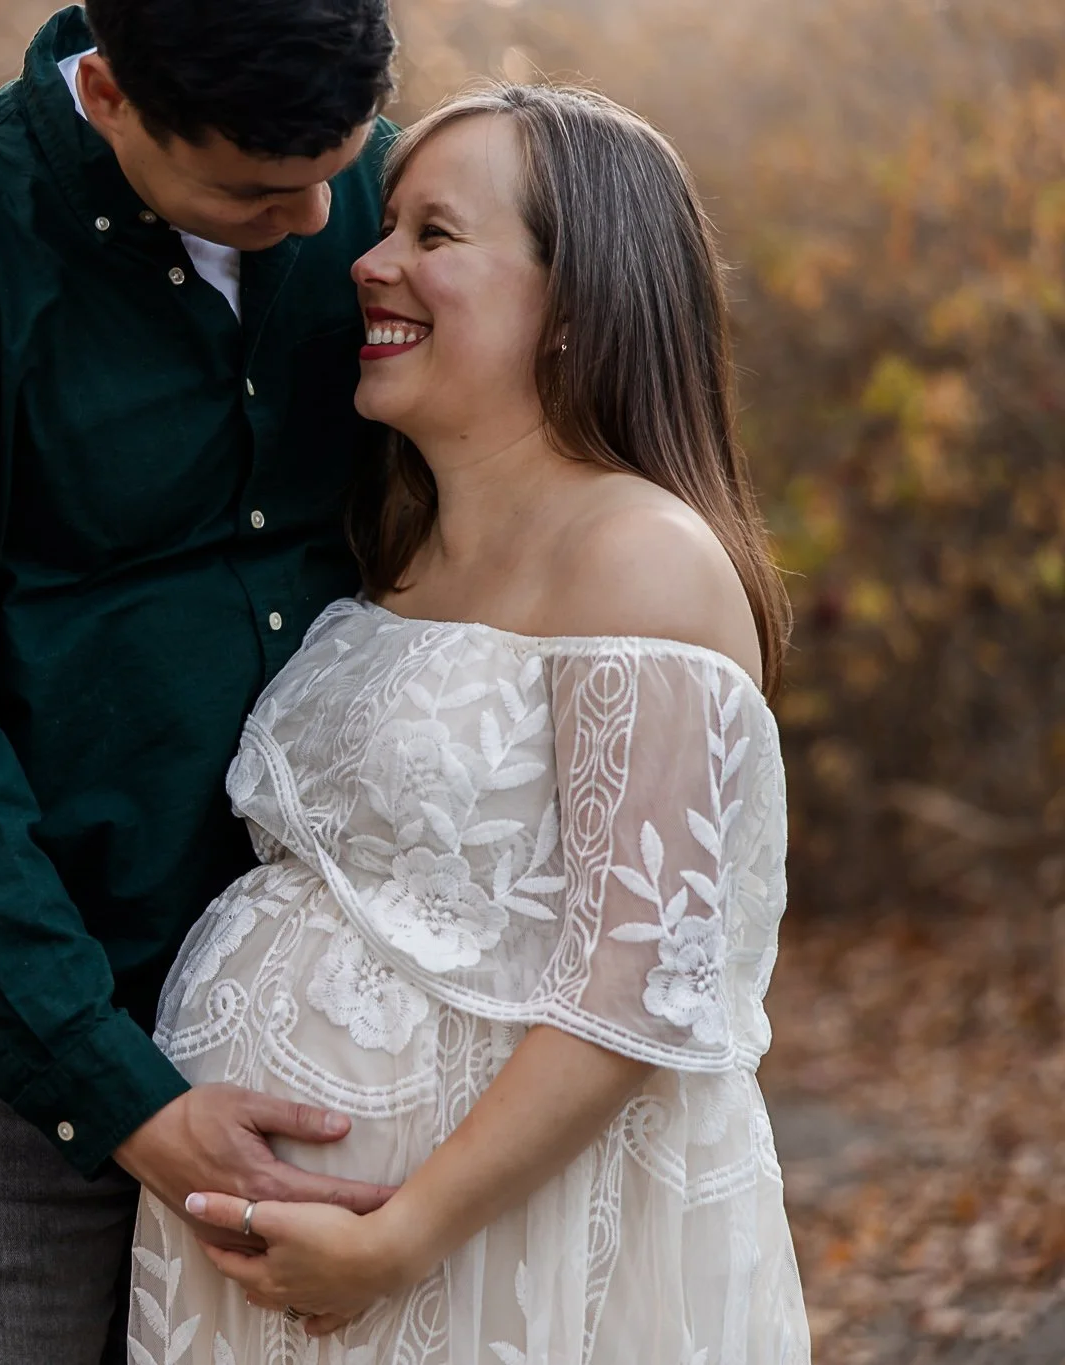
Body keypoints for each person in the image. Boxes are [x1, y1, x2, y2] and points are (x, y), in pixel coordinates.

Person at [0, 2, 401, 1360]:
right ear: (104, 92)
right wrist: (125, 1099)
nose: (320, 220)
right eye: (254, 192)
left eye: (342, 163)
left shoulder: (379, 196)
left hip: (266, 1018)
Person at [126, 84, 813, 1363]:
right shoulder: (394, 547)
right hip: (287, 1266)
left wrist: (403, 1234)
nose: (369, 264)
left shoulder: (636, 559)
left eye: (431, 236)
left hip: (485, 1258)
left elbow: (639, 981)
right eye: (386, 229)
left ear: (575, 302)